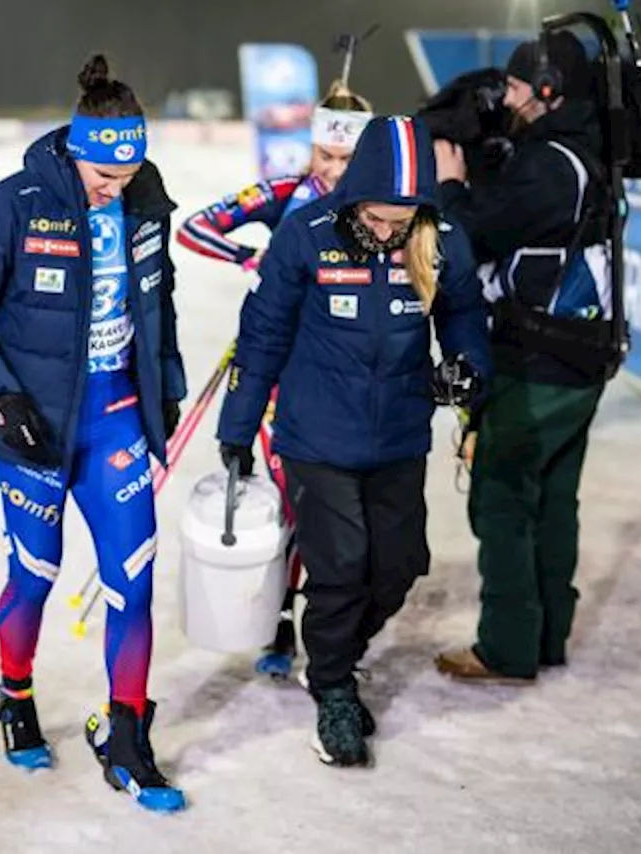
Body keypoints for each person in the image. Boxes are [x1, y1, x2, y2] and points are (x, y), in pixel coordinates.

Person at [0, 54, 188, 813]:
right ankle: (15, 695)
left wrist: (163, 395)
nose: (117, 189)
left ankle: (129, 733)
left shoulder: (146, 203)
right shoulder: (11, 203)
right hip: (33, 428)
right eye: (104, 177)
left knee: (133, 581)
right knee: (35, 575)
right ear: (76, 150)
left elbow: (157, 308)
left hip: (113, 421)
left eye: (129, 173)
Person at [216, 114, 492, 767]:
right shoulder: (304, 237)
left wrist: (466, 367)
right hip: (316, 434)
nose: (387, 231)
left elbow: (464, 317)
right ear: (356, 194)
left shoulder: (438, 237)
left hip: (399, 431)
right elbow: (261, 337)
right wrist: (237, 428)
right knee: (339, 570)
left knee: (398, 567)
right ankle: (334, 686)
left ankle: (337, 652)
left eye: (401, 220)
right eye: (377, 218)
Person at [431, 31, 613, 684]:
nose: (503, 99)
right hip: (582, 355)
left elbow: (471, 235)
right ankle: (548, 636)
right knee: (554, 498)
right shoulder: (584, 154)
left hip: (537, 358)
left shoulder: (545, 165)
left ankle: (507, 647)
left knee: (504, 498)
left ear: (547, 92)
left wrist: (452, 186)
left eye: (513, 87)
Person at [176, 80, 374, 680]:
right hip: (281, 374)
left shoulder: (382, 204)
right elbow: (196, 227)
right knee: (295, 499)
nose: (335, 171)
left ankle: (338, 615)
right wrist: (252, 259)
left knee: (348, 508)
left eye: (348, 159)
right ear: (311, 149)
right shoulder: (284, 192)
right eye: (326, 156)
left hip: (352, 380)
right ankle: (282, 615)